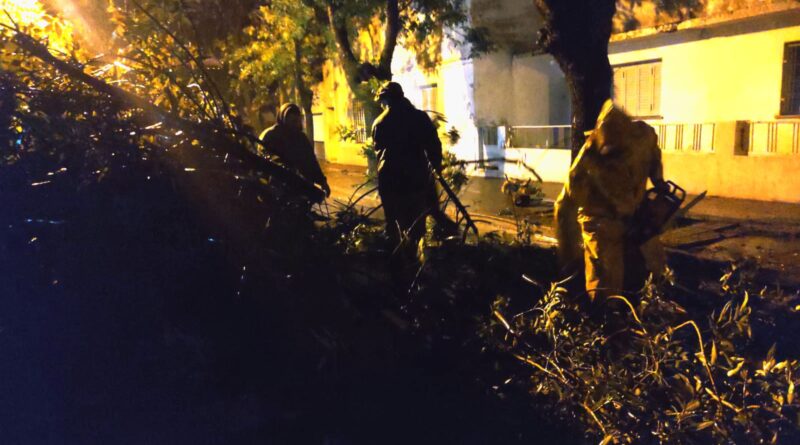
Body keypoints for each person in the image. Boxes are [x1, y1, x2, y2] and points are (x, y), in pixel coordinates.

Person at [554, 99, 667, 300]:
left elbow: (653, 159)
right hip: (598, 222)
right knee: (604, 280)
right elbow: (564, 206)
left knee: (654, 262)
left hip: (634, 213)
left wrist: (658, 181)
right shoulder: (587, 159)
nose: (611, 157)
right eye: (606, 151)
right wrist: (568, 256)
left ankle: (652, 299)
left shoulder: (644, 138)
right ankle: (605, 315)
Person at [371, 82, 456, 253]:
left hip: (390, 181)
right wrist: (435, 169)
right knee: (417, 225)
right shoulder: (419, 118)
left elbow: (378, 153)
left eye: (382, 101)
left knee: (393, 224)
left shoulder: (380, 122)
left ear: (386, 100)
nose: (381, 105)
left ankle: (397, 262)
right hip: (416, 179)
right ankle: (416, 259)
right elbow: (434, 146)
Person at [259, 103, 330, 198]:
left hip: (301, 189)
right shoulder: (271, 135)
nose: (295, 124)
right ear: (283, 119)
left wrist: (322, 182)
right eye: (292, 121)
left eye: (297, 121)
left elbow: (311, 161)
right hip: (277, 189)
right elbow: (264, 159)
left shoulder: (301, 138)